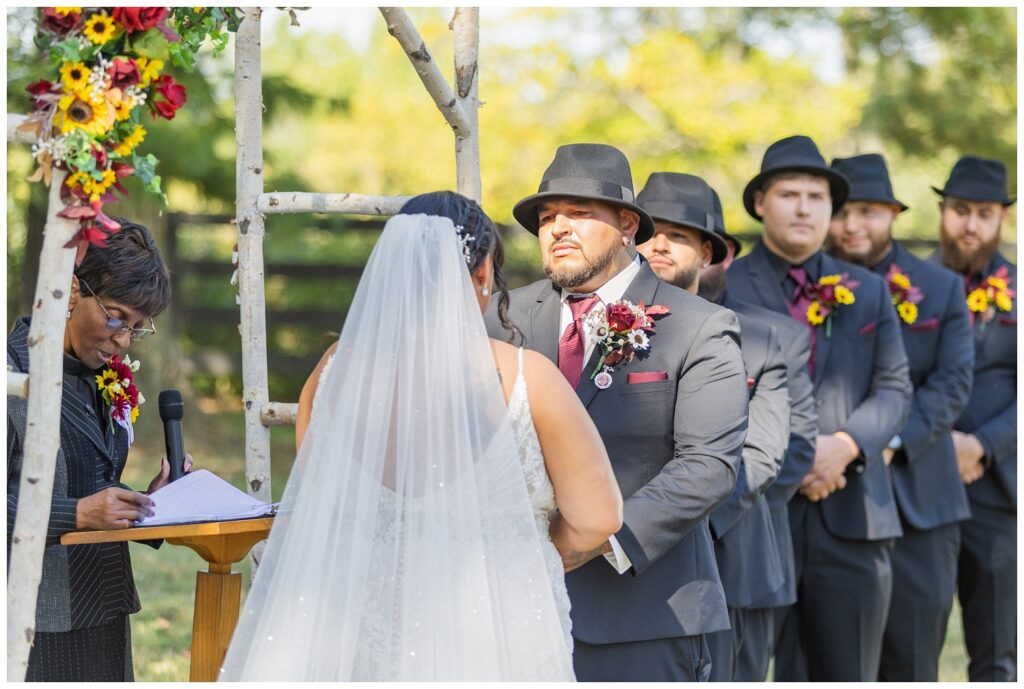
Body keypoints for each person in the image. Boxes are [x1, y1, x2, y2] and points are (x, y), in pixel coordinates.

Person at [220, 191, 623, 681]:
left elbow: (322, 496)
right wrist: (522, 537)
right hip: (496, 629)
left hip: (359, 619)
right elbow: (597, 517)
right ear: (482, 277)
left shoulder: (331, 372)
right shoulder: (529, 377)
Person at [487, 143, 749, 681]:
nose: (558, 227)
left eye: (579, 213)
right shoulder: (501, 317)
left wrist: (592, 540)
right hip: (507, 606)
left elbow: (708, 466)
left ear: (628, 224)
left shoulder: (699, 326)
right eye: (547, 216)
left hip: (643, 613)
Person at [727, 135, 912, 681]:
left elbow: (896, 388)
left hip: (852, 511)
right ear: (760, 202)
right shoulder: (728, 283)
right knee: (744, 669)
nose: (805, 206)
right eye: (789, 194)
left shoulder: (870, 291)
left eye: (817, 195)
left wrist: (844, 447)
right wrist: (793, 459)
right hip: (757, 516)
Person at [636, 172, 800, 681]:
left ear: (711, 253)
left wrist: (673, 519)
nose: (659, 244)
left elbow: (762, 455)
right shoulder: (600, 325)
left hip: (730, 558)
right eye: (650, 231)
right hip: (621, 557)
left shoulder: (762, 339)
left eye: (679, 234)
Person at [7, 220, 178, 681]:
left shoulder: (99, 377)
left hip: (104, 604)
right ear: (70, 289)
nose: (123, 339)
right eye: (117, 316)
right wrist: (78, 514)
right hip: (34, 619)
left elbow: (90, 483)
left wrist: (151, 501)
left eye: (137, 328)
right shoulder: (10, 378)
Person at [827, 153, 975, 681]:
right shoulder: (808, 284)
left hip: (920, 497)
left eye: (867, 211)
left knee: (912, 661)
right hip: (829, 499)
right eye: (841, 211)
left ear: (893, 212)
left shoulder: (939, 287)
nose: (851, 225)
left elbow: (952, 383)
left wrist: (888, 441)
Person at [930, 155, 1017, 682]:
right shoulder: (908, 287)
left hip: (998, 492)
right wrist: (943, 447)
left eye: (984, 213)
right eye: (960, 210)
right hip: (921, 485)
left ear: (1001, 218)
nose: (970, 224)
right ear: (942, 212)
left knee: (997, 651)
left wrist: (981, 445)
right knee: (913, 642)